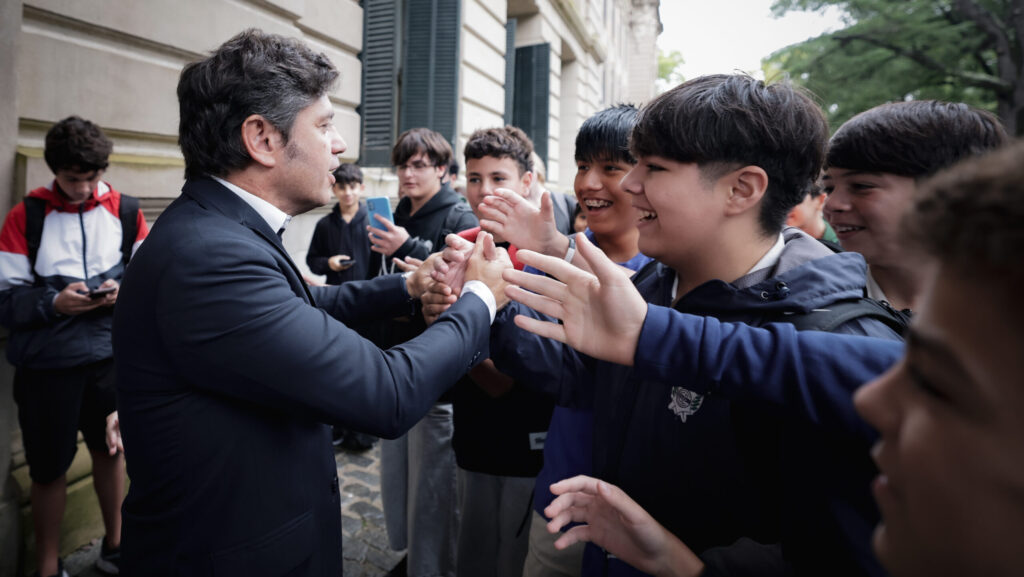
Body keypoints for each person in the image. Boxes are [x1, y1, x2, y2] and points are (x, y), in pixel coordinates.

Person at [507, 138, 1024, 577]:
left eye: (941, 382)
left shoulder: (839, 325)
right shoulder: (654, 287)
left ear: (743, 189)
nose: (874, 398)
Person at [111, 29, 511, 577]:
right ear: (263, 139)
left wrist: (411, 286)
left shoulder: (221, 230)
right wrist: (484, 296)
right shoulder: (210, 256)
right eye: (324, 125)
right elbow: (387, 392)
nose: (340, 144)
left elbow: (306, 306)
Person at [472, 75, 903, 577]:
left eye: (653, 167)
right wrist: (491, 306)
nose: (630, 185)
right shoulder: (653, 281)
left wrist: (692, 568)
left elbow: (837, 550)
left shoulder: (826, 334)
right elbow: (587, 379)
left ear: (742, 189)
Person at [465, 105, 651, 577]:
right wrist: (478, 306)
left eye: (611, 167)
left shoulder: (665, 278)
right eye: (583, 166)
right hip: (556, 488)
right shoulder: (546, 257)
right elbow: (538, 365)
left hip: (636, 509)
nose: (589, 183)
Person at [0, 116, 148, 577]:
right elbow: (5, 300)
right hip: (49, 368)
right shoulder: (27, 216)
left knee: (112, 451)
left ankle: (117, 546)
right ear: (54, 172)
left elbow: (150, 279)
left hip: (110, 360)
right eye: (72, 180)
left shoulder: (126, 209)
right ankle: (46, 565)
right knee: (46, 468)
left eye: (91, 178)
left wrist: (125, 289)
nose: (83, 189)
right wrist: (53, 303)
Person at [439, 125, 555, 577]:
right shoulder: (457, 244)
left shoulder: (546, 252)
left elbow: (507, 375)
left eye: (498, 178)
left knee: (515, 556)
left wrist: (452, 334)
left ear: (527, 181)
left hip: (530, 437)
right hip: (471, 432)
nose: (484, 191)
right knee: (471, 547)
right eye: (473, 178)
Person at [366, 127, 478, 577]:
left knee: (434, 489)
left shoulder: (456, 214)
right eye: (402, 165)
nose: (407, 174)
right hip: (393, 362)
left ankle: (434, 566)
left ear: (442, 171)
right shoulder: (394, 211)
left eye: (418, 165)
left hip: (437, 376)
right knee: (400, 481)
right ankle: (413, 555)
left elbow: (463, 275)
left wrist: (406, 247)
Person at [823, 100, 1007, 313]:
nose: (832, 204)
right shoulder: (814, 305)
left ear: (948, 191)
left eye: (861, 186)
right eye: (829, 189)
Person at [305, 162, 379, 450]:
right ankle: (338, 428)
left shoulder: (374, 223)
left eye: (352, 186)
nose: (347, 193)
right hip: (336, 305)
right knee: (336, 367)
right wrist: (329, 263)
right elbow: (312, 260)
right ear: (334, 188)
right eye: (342, 187)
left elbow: (382, 267)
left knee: (366, 369)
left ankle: (363, 432)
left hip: (368, 307)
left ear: (361, 188)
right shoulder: (324, 225)